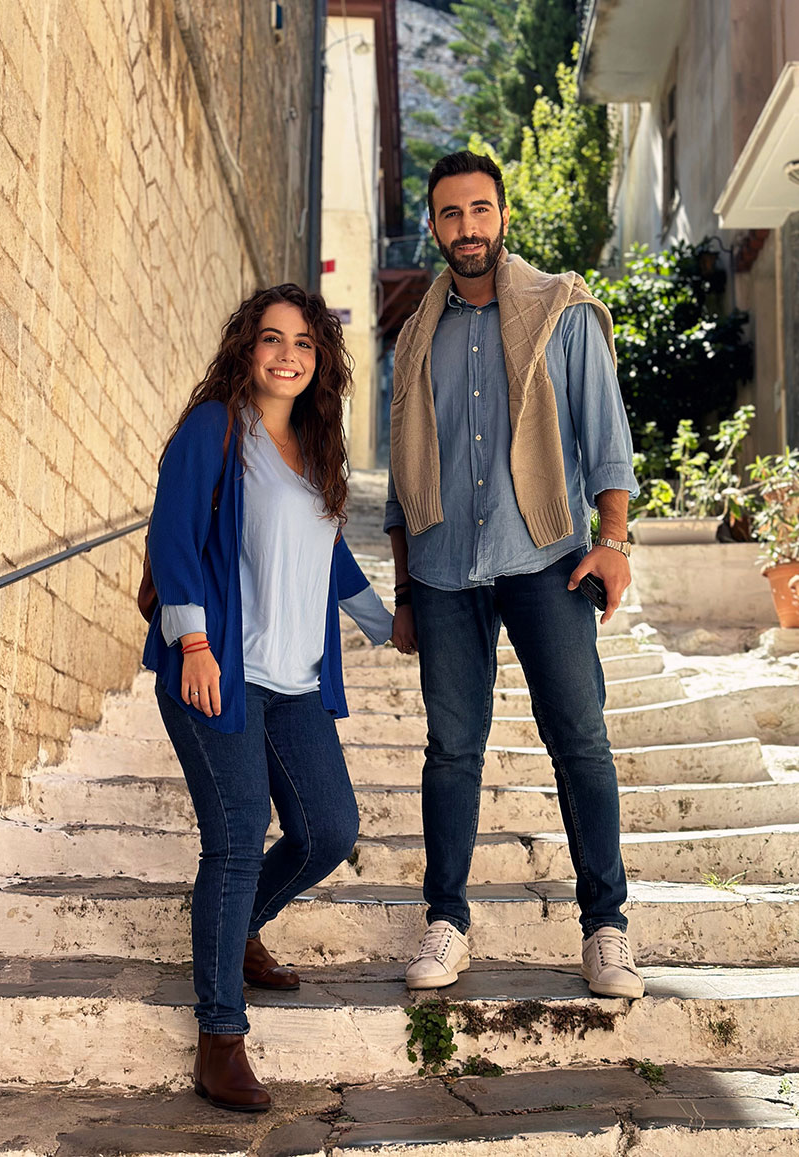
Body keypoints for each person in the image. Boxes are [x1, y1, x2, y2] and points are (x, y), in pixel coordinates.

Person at [386, 151, 644, 1000]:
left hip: (546, 558)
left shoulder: (561, 310)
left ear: (502, 216)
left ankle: (606, 927)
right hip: (442, 568)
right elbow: (401, 476)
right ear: (434, 226)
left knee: (580, 739)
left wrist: (615, 539)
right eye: (450, 213)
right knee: (450, 750)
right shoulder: (415, 335)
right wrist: (404, 588)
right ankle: (446, 921)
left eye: (480, 209)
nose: (467, 227)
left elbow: (604, 433)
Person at [143, 284, 393, 1112]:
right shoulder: (216, 426)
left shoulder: (317, 446)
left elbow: (329, 556)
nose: (288, 355)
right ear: (247, 348)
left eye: (305, 343)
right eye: (272, 339)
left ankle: (237, 925)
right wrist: (194, 642)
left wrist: (388, 624)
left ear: (321, 358)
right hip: (218, 670)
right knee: (239, 833)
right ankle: (220, 1036)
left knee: (329, 829)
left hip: (297, 683)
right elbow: (173, 534)